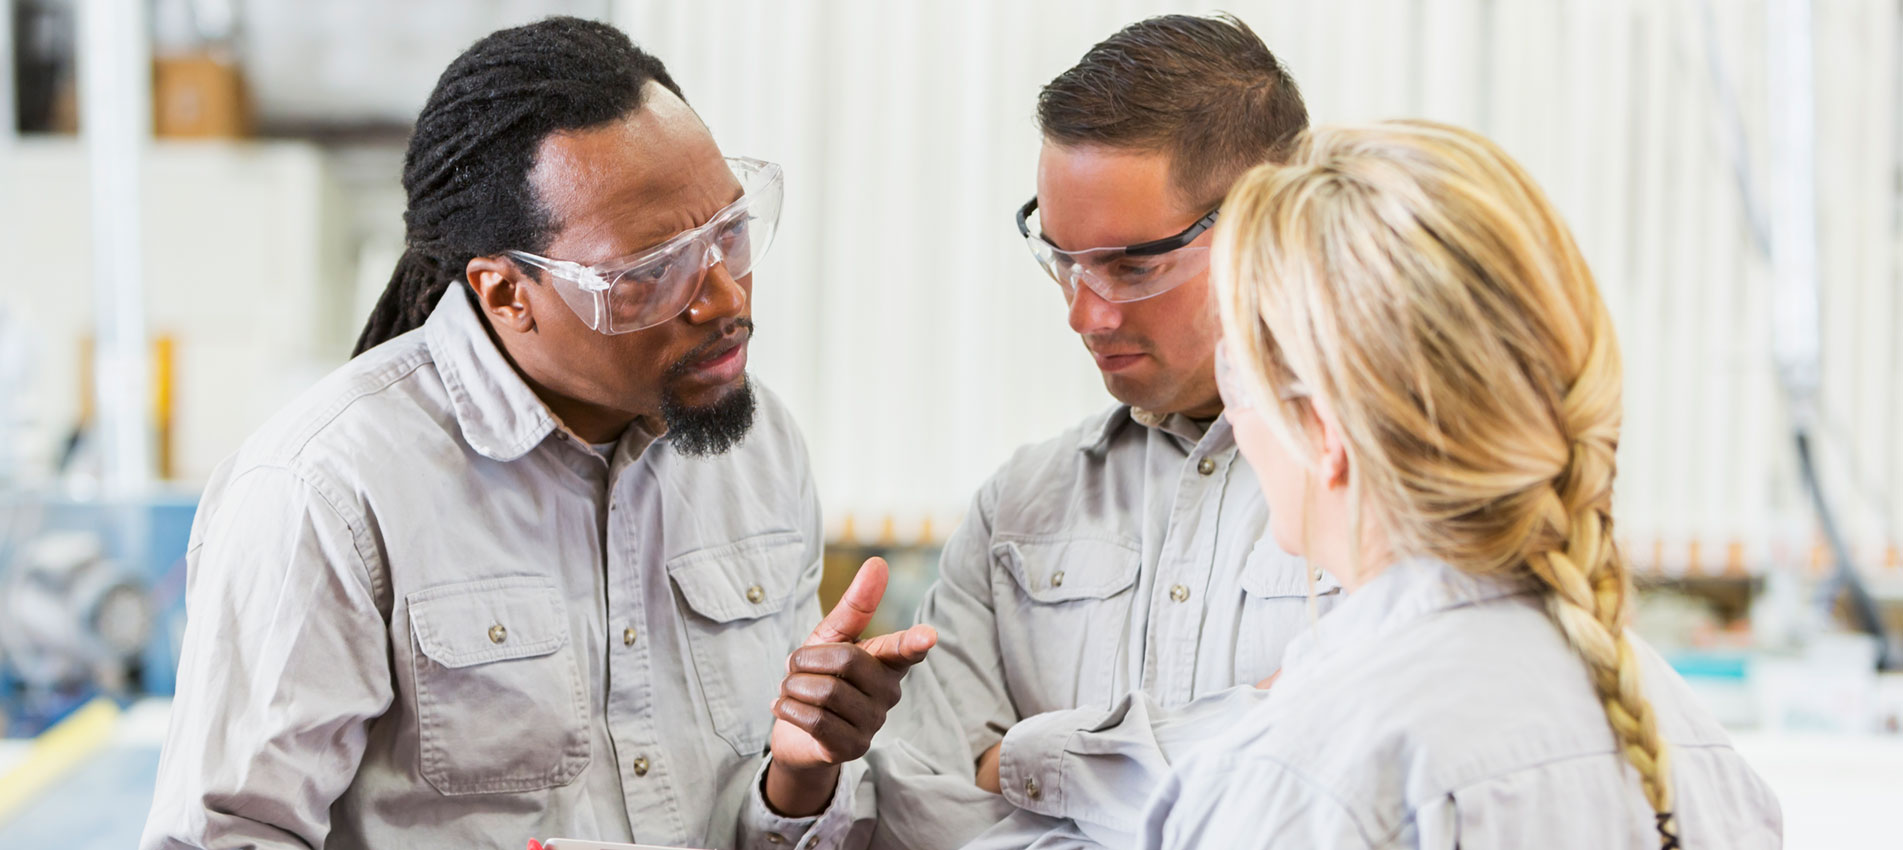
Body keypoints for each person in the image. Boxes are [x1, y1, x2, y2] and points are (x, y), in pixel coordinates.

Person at [141, 18, 933, 850]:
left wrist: (800, 779)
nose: (725, 299)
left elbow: (740, 814)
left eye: (728, 234)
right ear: (506, 294)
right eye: (653, 272)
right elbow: (224, 836)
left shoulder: (756, 447)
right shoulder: (326, 494)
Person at [1140, 120, 1782, 849]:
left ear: (1323, 427)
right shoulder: (1694, 750)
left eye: (1240, 375)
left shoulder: (1294, 783)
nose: (1236, 418)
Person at [780, 14, 1332, 850]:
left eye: (1131, 266)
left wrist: (1027, 762)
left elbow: (1346, 788)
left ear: (1269, 226)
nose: (1083, 312)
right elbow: (918, 811)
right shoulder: (1018, 508)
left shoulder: (1392, 490)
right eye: (1063, 259)